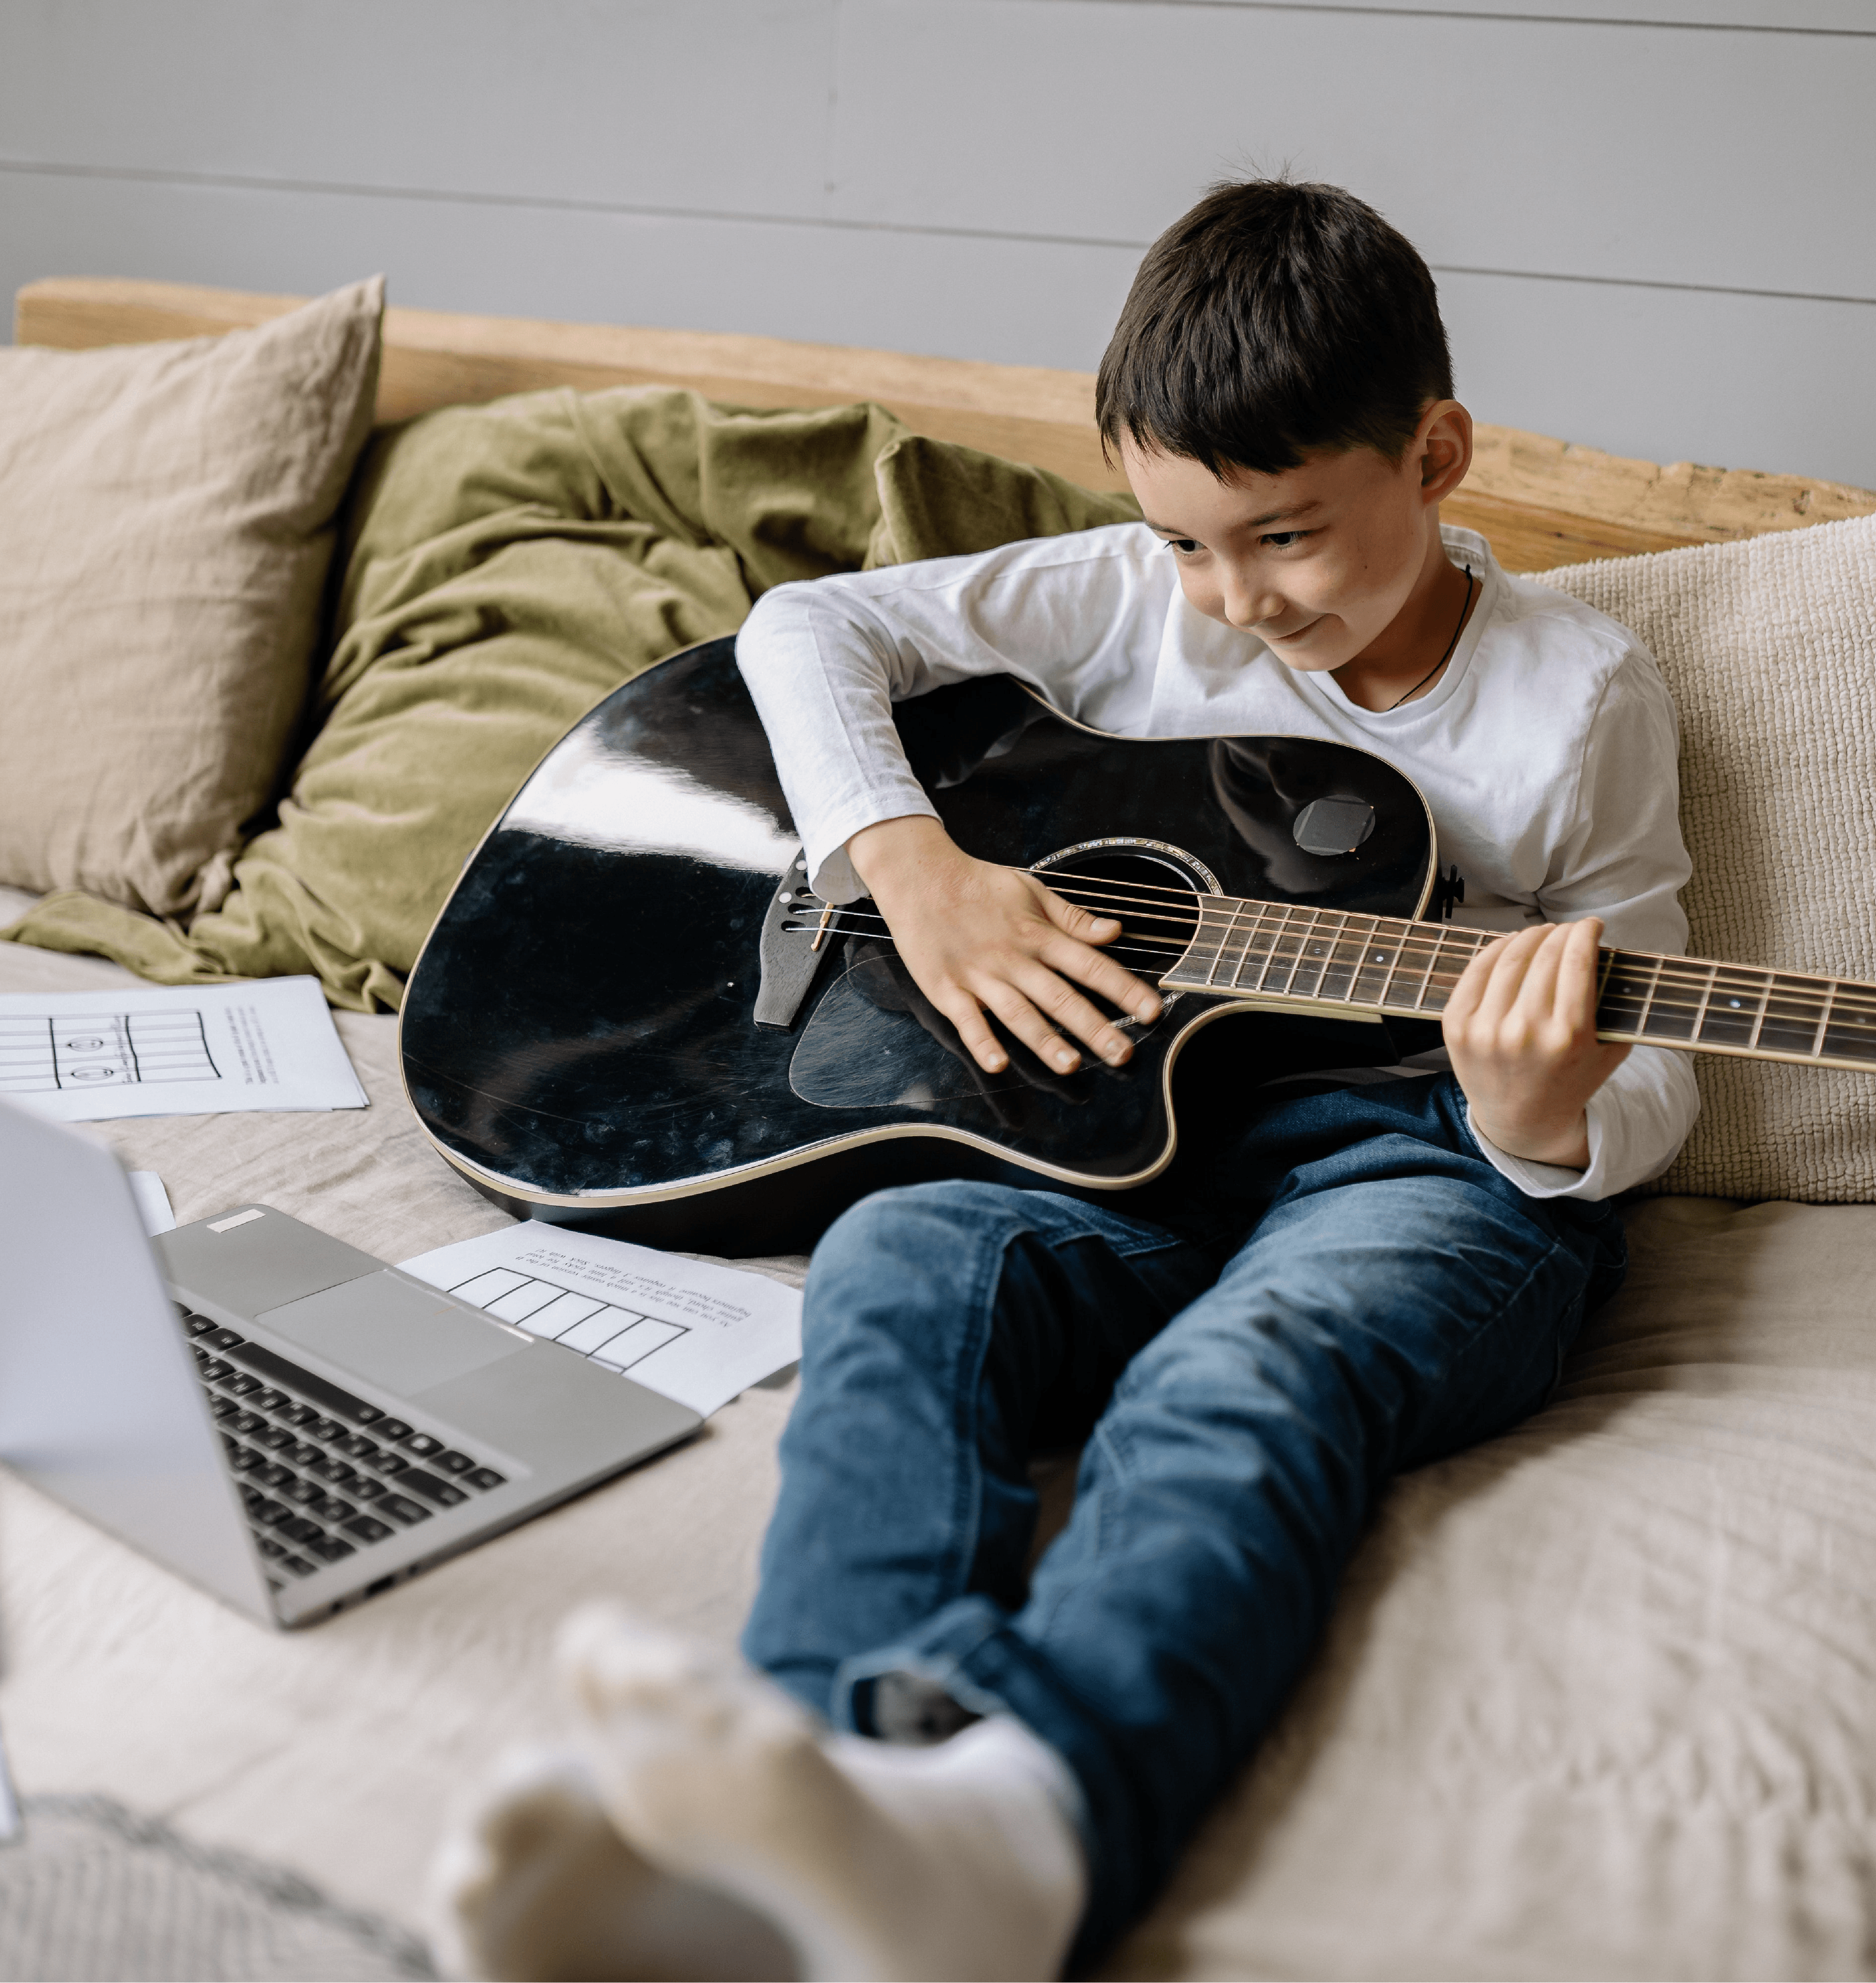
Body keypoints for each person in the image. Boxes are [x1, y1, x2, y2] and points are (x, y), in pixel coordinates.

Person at [434, 179, 1697, 1983]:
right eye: (1189, 542)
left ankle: (1018, 1839)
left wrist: (1545, 1111)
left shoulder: (1581, 700)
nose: (1239, 601)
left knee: (1243, 1374)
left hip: (1420, 1159)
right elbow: (806, 630)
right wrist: (913, 866)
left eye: (1288, 537)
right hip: (1119, 1144)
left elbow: (1663, 1051)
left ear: (1438, 454)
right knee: (894, 1267)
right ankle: (818, 1821)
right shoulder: (1137, 606)